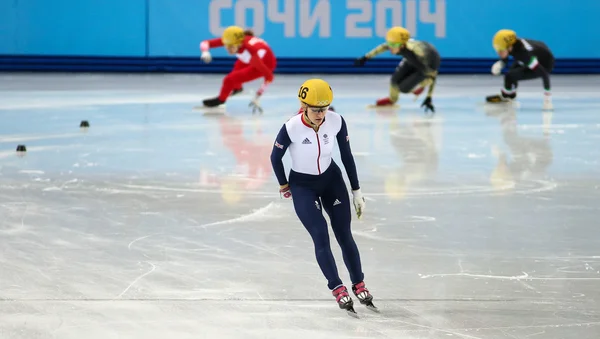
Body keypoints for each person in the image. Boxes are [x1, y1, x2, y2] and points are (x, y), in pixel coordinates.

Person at [270, 78, 375, 314]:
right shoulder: (291, 127)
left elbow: (347, 157)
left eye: (324, 109)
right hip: (303, 186)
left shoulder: (336, 121)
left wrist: (356, 191)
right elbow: (275, 158)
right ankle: (337, 287)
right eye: (316, 110)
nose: (321, 114)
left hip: (331, 181)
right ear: (304, 106)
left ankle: (359, 283)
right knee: (320, 235)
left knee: (344, 234)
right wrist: (283, 185)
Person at [354, 27, 440, 112]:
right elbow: (383, 47)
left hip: (425, 64)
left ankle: (421, 85)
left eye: (393, 45)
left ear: (402, 45)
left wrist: (429, 97)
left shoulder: (419, 53)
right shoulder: (399, 44)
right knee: (394, 80)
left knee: (404, 89)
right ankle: (392, 100)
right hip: (412, 60)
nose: (390, 47)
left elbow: (434, 74)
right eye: (390, 44)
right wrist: (365, 58)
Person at [199, 26, 276, 112]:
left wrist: (258, 95)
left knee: (229, 79)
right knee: (236, 72)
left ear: (240, 44)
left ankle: (221, 100)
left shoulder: (251, 54)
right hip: (251, 56)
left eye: (231, 47)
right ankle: (237, 88)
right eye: (226, 46)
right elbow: (205, 43)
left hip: (264, 64)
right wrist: (205, 52)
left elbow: (269, 77)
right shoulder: (232, 40)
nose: (228, 50)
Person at [486, 29, 554, 110]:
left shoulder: (523, 55)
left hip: (545, 64)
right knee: (511, 72)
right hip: (538, 53)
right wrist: (502, 63)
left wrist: (547, 99)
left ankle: (508, 97)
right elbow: (507, 54)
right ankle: (509, 95)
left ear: (509, 47)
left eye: (500, 50)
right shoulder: (514, 44)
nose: (498, 53)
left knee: (510, 76)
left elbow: (544, 74)